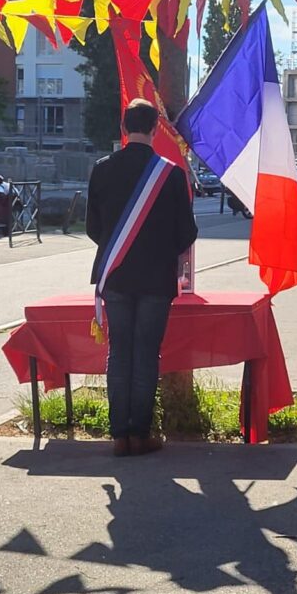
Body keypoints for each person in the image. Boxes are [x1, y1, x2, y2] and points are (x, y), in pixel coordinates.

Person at [86, 99, 198, 457]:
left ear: (124, 128)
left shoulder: (102, 169)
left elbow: (92, 228)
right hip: (155, 281)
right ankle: (140, 433)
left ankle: (119, 435)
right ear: (154, 130)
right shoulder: (171, 174)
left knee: (119, 352)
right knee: (147, 354)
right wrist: (160, 251)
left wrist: (120, 248)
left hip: (116, 277)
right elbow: (187, 233)